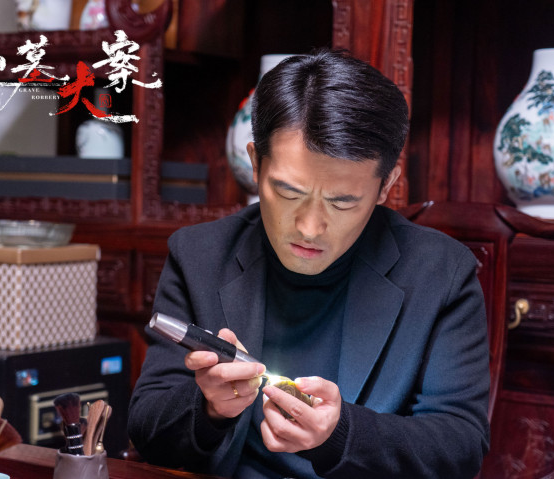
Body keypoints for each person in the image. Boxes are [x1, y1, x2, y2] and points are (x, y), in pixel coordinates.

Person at [127, 49, 490, 479]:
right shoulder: (200, 255)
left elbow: (461, 445)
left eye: (342, 202)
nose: (310, 227)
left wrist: (341, 435)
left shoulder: (441, 273)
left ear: (385, 186)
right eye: (288, 192)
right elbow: (146, 430)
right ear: (256, 164)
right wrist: (208, 408)